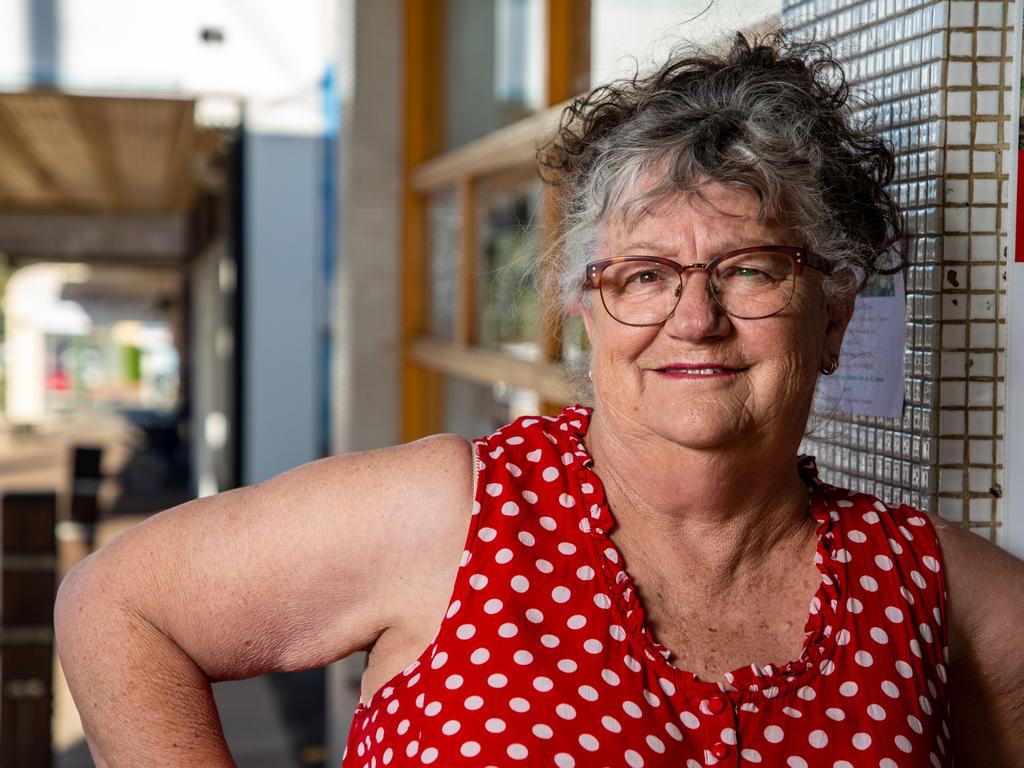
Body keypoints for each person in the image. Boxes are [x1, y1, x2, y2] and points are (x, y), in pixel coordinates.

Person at [55, 33, 1024, 767]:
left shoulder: (926, 591)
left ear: (832, 318)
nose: (694, 318)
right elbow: (117, 606)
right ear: (583, 313)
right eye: (642, 276)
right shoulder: (455, 515)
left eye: (752, 269)